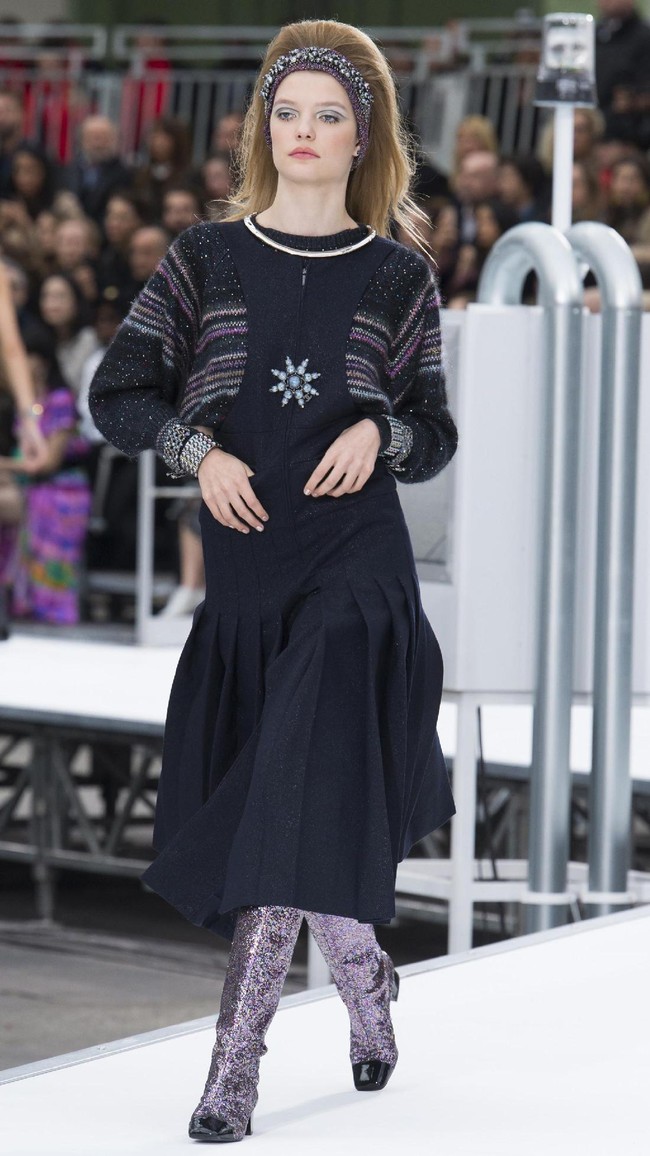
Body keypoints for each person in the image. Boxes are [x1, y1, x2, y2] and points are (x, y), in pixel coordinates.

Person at [89, 17, 457, 1143]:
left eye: (327, 115)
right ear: (263, 128)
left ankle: (232, 1070)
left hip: (356, 572)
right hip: (250, 575)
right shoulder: (204, 257)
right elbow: (118, 393)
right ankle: (364, 975)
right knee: (283, 811)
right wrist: (196, 451)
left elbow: (434, 430)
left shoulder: (399, 274)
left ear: (361, 137)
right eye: (286, 112)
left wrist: (382, 434)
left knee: (284, 802)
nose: (303, 131)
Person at [0, 326, 91, 625]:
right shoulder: (25, 404)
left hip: (61, 489)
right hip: (31, 484)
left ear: (42, 361)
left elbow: (47, 462)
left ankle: (43, 604)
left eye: (26, 356)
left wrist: (6, 466)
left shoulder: (60, 401)